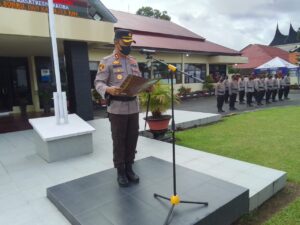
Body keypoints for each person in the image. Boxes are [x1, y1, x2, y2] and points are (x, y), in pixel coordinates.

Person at [94, 29, 141, 187]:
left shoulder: (133, 61)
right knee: (119, 140)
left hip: (133, 106)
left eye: (130, 43)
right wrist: (108, 89)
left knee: (132, 138)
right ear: (116, 42)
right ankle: (120, 170)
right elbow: (98, 82)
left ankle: (129, 167)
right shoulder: (106, 61)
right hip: (117, 108)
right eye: (125, 42)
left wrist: (145, 87)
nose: (128, 46)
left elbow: (138, 80)